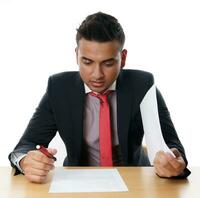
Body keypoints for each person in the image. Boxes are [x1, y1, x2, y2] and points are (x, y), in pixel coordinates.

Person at [9, 12, 191, 183]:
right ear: (76, 56)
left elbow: (173, 146)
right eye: (87, 62)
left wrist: (175, 162)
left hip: (134, 180)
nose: (97, 74)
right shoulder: (59, 88)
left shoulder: (142, 86)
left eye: (108, 63)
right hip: (77, 182)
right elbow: (25, 145)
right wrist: (25, 161)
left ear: (123, 58)